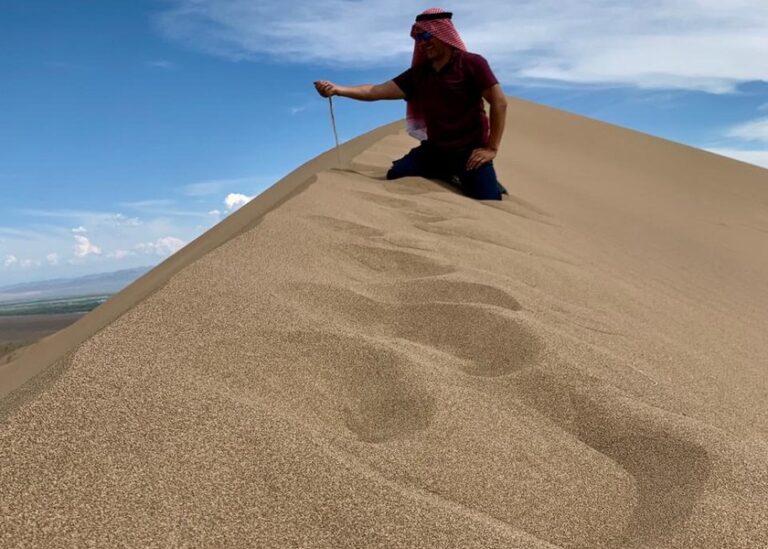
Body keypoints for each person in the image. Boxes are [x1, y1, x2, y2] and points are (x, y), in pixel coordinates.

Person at [314, 8, 508, 200]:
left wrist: (491, 149)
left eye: (426, 36)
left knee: (488, 197)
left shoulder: (472, 63)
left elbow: (499, 103)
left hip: (470, 152)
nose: (422, 43)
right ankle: (447, 173)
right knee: (397, 174)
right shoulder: (419, 74)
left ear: (443, 34)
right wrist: (338, 89)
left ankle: (483, 181)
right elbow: (376, 91)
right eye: (417, 38)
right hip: (436, 150)